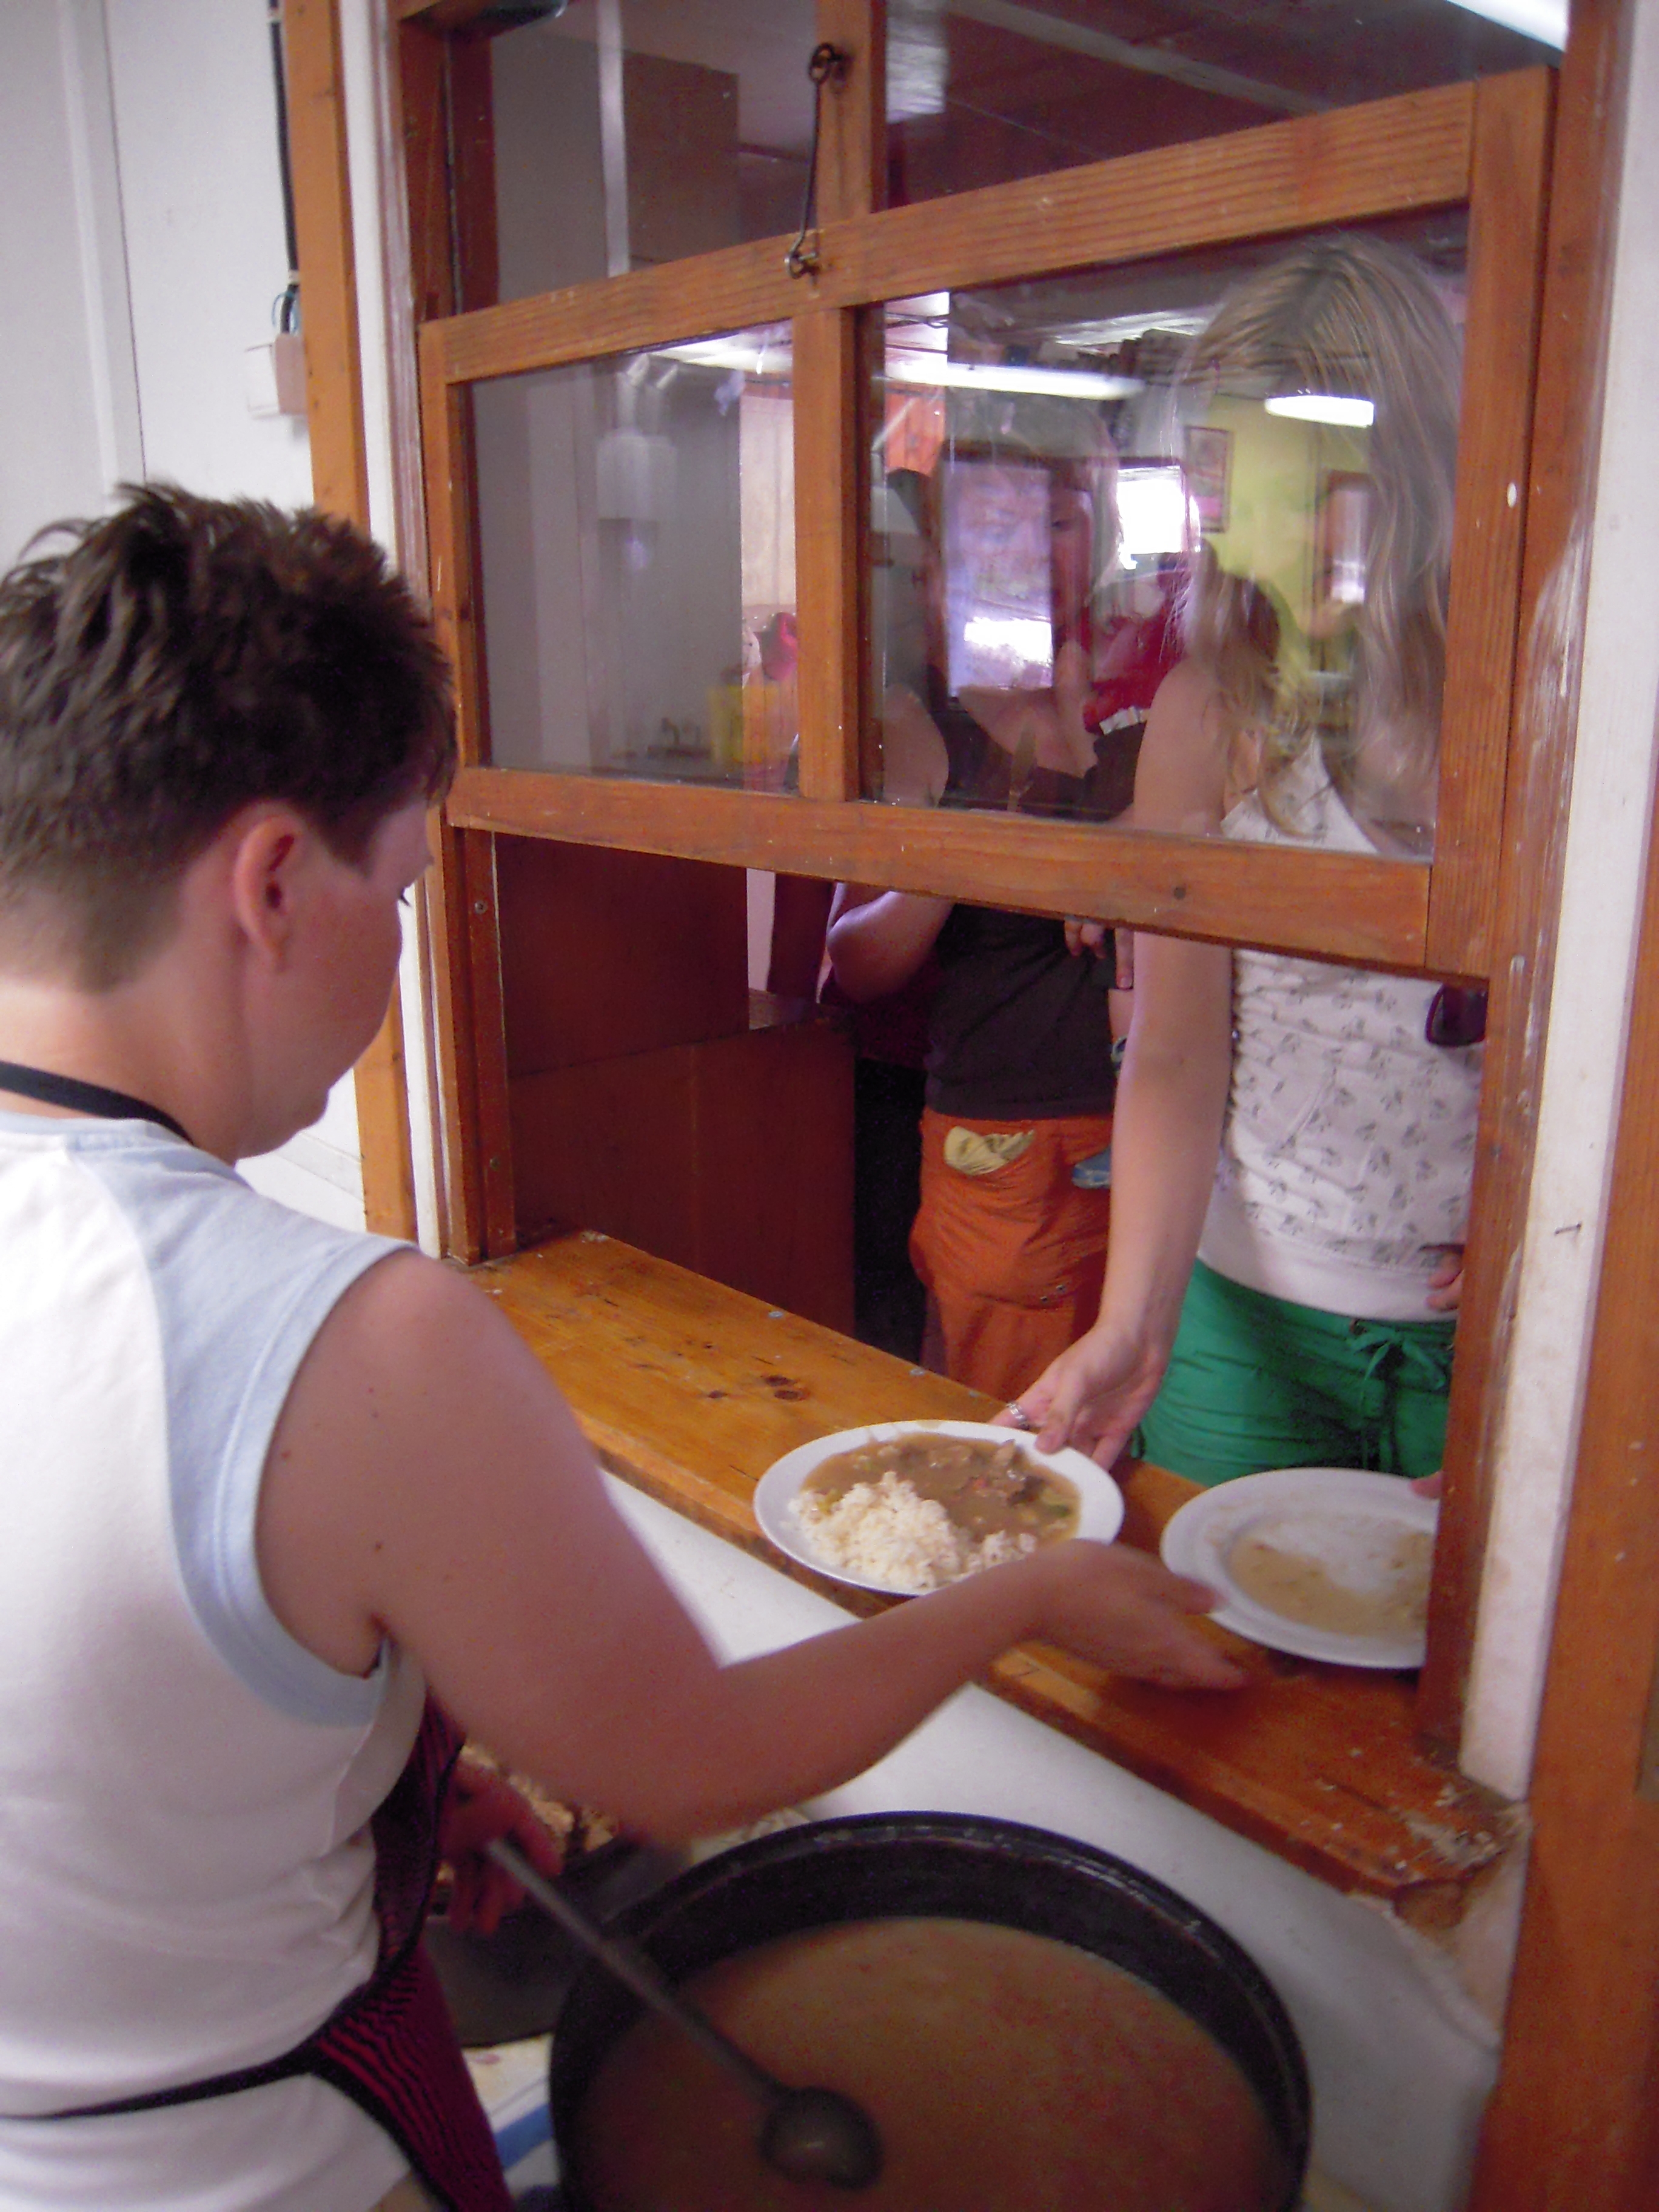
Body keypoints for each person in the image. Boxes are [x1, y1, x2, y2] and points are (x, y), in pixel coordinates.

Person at [0, 486, 1242, 2212]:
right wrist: (1026, 1596)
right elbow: (686, 1761)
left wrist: (369, 1810)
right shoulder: (347, 1341)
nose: (405, 941)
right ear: (275, 883)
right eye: (404, 886)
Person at [1022, 236, 1482, 1485]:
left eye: (1320, 495)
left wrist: (1560, 1230)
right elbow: (1176, 1050)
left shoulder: (1532, 710)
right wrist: (1135, 1326)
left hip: (1485, 1325)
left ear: (1415, 473)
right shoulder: (1211, 717)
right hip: (1244, 1322)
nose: (1285, 546)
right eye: (1247, 499)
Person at [829, 438, 1180, 1406]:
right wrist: (968, 854)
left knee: (1141, 1428)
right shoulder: (919, 721)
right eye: (998, 530)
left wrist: (1113, 866)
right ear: (943, 567)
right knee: (1018, 1439)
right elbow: (855, 958)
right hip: (1014, 1141)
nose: (1032, 552)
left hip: (1166, 1124)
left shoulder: (1134, 694)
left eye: (1057, 523)